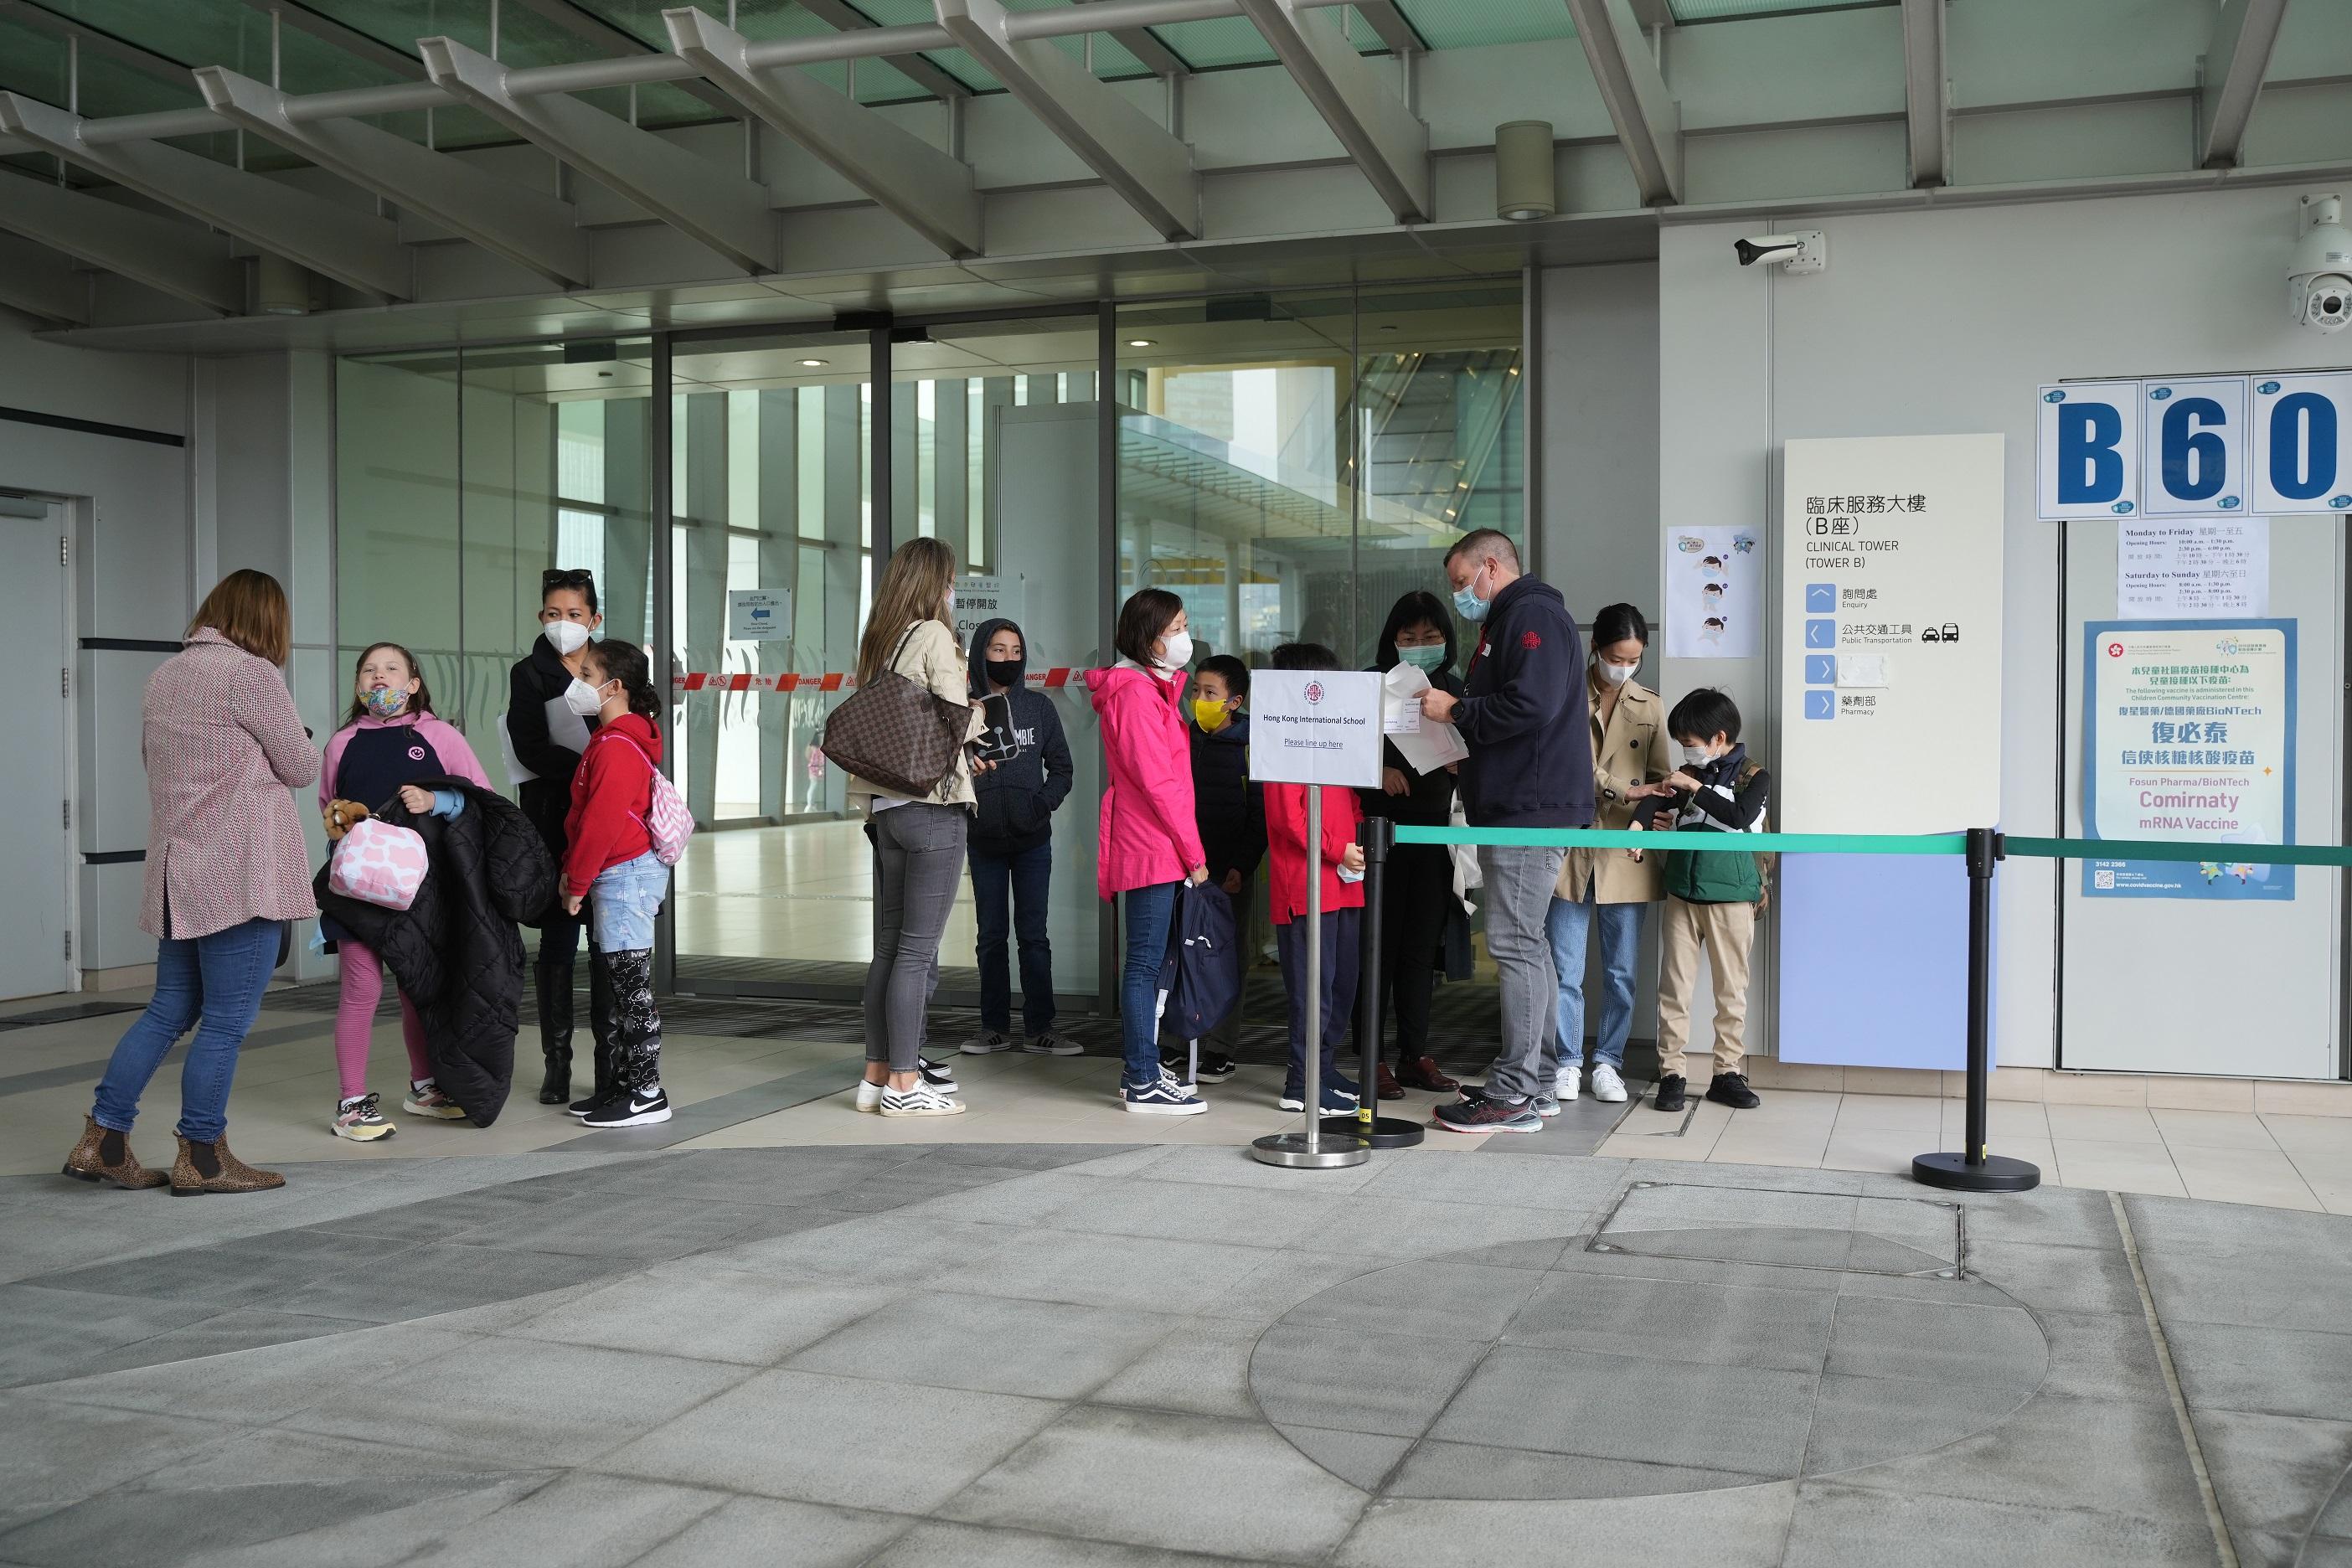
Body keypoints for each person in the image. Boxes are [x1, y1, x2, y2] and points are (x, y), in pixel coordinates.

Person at [62, 570, 316, 1195]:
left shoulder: (166, 675)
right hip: (239, 871)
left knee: (166, 1011)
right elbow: (301, 767)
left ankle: (104, 1140)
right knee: (226, 1021)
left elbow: (159, 762)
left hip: (181, 872)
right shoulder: (252, 675)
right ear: (267, 621)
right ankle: (203, 1158)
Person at [1417, 529, 1594, 1136]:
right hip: (1522, 800)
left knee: (1516, 946)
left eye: (1463, 582)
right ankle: (1536, 1082)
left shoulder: (1532, 615)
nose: (1462, 595)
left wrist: (1457, 712)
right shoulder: (1514, 619)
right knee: (1530, 945)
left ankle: (1515, 1089)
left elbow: (1532, 704)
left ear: (1491, 567)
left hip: (1529, 807)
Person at [317, 642, 489, 1140]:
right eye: (369, 671)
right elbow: (328, 806)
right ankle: (351, 1103)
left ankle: (424, 1086)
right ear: (357, 686)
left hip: (422, 886)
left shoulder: (440, 735)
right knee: (361, 987)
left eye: (392, 670)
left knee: (418, 987)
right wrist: (340, 821)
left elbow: (482, 800)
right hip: (356, 888)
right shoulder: (342, 743)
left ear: (413, 683)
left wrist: (437, 799)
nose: (379, 678)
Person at [847, 538, 986, 1118]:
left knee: (888, 949)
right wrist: (983, 719)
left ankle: (876, 1076)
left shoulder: (879, 642)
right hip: (933, 808)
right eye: (950, 579)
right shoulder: (931, 634)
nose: (953, 590)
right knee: (914, 953)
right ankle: (905, 1085)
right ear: (935, 583)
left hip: (887, 809)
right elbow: (955, 713)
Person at [1087, 588, 1210, 1115]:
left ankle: (1142, 1066)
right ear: (1149, 637)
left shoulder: (1150, 689)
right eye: (1176, 626)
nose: (1185, 636)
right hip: (1151, 845)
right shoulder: (1135, 693)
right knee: (1143, 965)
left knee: (1150, 962)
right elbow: (1160, 783)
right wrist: (1194, 853)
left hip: (1153, 843)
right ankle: (1141, 1077)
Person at [1547, 603, 1672, 1107]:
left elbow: (1663, 781)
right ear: (1596, 649)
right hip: (1569, 845)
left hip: (1626, 851)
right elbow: (1565, 765)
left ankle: (1610, 1062)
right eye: (1618, 658)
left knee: (1621, 970)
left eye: (1635, 660)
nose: (1625, 668)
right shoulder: (1561, 693)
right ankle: (1567, 1060)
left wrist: (1653, 815)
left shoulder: (1651, 706)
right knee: (1565, 966)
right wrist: (1627, 790)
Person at [559, 638, 676, 1128]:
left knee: (632, 988)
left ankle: (648, 1092)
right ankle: (628, 1086)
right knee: (624, 982)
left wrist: (576, 882)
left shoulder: (615, 746)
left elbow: (601, 823)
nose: (578, 684)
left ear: (615, 687)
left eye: (587, 676)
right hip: (624, 873)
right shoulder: (619, 739)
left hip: (623, 873)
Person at [1360, 591, 1465, 1101]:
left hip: (1435, 833)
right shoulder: (1369, 685)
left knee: (1422, 948)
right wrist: (1374, 772)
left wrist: (1464, 766)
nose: (1420, 646)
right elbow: (1335, 752)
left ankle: (1415, 1054)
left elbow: (1481, 757)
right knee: (1376, 946)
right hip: (1378, 833)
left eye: (1430, 638)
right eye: (1408, 638)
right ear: (1391, 640)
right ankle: (1370, 1057)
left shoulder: (1454, 690)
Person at [1648, 688, 1772, 1114]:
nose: (1686, 749)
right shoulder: (1685, 774)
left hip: (1732, 898)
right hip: (1681, 892)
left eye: (1690, 741)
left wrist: (1695, 787)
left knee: (1730, 991)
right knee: (1674, 990)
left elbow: (1739, 819)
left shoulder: (1755, 778)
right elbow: (1679, 822)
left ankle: (1727, 1073)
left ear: (1718, 738)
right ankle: (1671, 1074)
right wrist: (1663, 827)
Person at [960, 617, 1077, 1059]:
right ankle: (992, 1027)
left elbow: (1062, 768)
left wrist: (1040, 804)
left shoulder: (1039, 709)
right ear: (979, 654)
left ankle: (1041, 1027)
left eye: (1015, 650)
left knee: (1033, 935)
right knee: (990, 936)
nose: (1008, 657)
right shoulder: (964, 708)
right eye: (997, 649)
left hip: (1032, 841)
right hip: (983, 838)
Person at [507, 568, 601, 1106]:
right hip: (552, 817)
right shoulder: (529, 672)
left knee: (612, 940)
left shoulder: (611, 664)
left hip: (608, 817)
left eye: (572, 614)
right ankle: (557, 1064)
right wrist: (589, 763)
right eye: (552, 614)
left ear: (594, 619)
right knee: (560, 937)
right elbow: (528, 746)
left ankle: (613, 1058)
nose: (562, 624)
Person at [1265, 643, 1367, 1114]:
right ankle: (1300, 1081)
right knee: (1313, 988)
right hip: (1306, 886)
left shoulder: (1330, 736)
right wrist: (1337, 849)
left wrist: (1354, 847)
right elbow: (1289, 819)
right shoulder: (1281, 740)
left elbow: (1347, 802)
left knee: (1340, 984)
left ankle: (1322, 1068)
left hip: (1344, 880)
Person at [1168, 652, 1262, 1085]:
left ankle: (1221, 1049)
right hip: (1182, 865)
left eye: (1210, 693)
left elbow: (1258, 814)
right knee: (1177, 953)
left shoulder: (1249, 747)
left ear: (1235, 702)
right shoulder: (1181, 738)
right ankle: (1174, 1041)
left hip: (1228, 870)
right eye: (1196, 691)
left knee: (1226, 956)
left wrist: (1243, 865)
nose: (1199, 699)